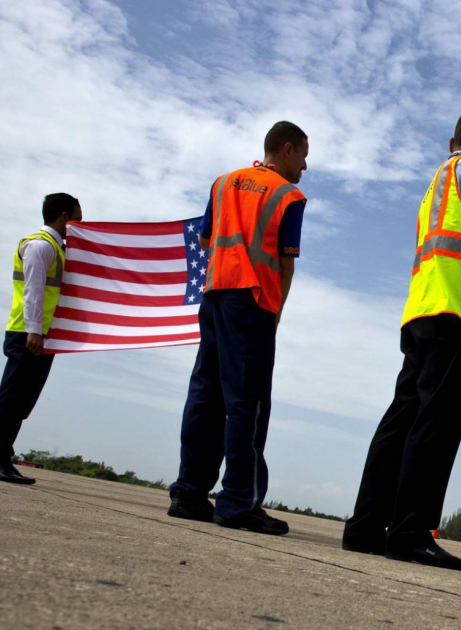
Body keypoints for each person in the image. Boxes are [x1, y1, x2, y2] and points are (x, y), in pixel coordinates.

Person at [341, 110, 461, 572]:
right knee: (436, 424)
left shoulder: (436, 183)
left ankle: (366, 526)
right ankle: (409, 533)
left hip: (422, 311)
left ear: (452, 140)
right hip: (455, 312)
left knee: (401, 421)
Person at [167, 122, 309, 536]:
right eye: (302, 155)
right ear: (285, 150)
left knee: (205, 394)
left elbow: (206, 240)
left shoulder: (223, 182)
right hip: (254, 302)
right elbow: (286, 262)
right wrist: (276, 311)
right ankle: (237, 502)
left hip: (214, 292)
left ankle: (189, 493)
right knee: (247, 401)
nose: (304, 165)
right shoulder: (289, 195)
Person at [0, 194, 83, 485]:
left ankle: (1, 458)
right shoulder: (40, 246)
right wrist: (34, 331)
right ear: (63, 217)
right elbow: (33, 291)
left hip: (43, 335)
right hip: (28, 333)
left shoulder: (58, 249)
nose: (79, 225)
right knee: (11, 397)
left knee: (23, 401)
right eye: (77, 219)